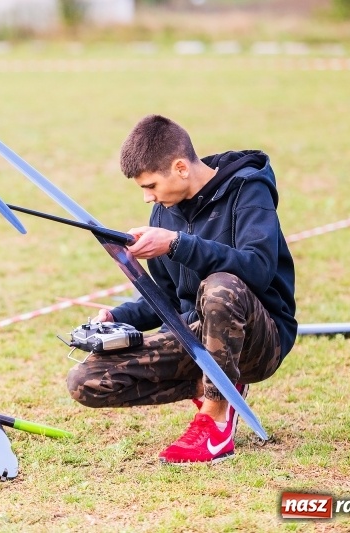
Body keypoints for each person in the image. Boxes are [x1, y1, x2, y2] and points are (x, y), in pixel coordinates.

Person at [66, 115, 297, 464]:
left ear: (180, 168)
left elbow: (258, 271)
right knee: (86, 380)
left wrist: (177, 244)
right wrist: (118, 316)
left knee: (220, 287)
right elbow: (169, 298)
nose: (148, 198)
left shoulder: (249, 190)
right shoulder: (164, 213)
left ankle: (216, 421)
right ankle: (215, 386)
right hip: (196, 340)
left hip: (259, 341)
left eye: (151, 186)